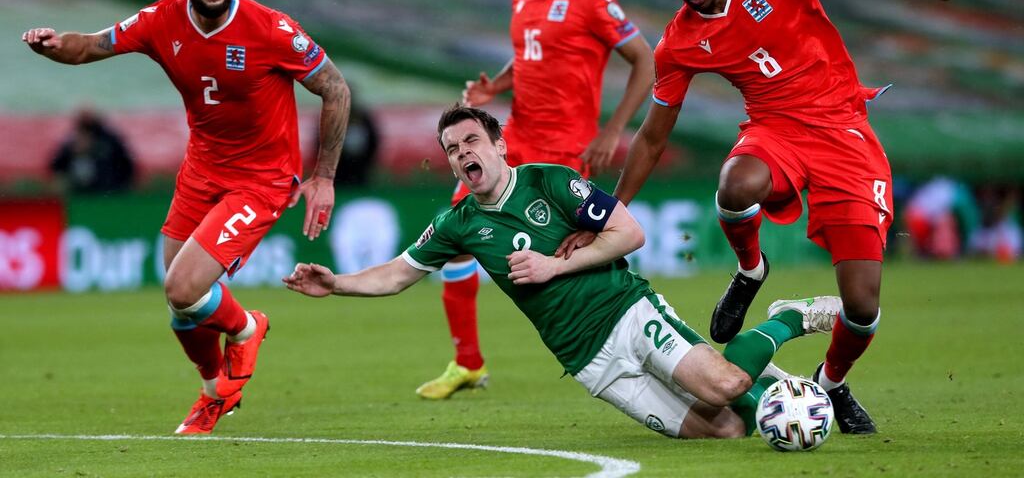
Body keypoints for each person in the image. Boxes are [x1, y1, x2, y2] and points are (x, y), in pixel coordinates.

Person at [574, 0, 986, 434]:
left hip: (845, 135)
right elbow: (653, 137)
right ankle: (750, 270)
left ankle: (832, 384)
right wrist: (613, 209)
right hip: (775, 130)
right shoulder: (677, 43)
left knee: (860, 305)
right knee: (735, 184)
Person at [285, 105, 842, 439]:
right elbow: (397, 274)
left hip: (625, 313)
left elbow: (630, 234)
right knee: (727, 428)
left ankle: (786, 319)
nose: (462, 154)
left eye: (472, 141)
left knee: (725, 386)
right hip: (588, 362)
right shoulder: (456, 222)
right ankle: (775, 389)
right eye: (452, 149)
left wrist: (555, 264)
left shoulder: (548, 182)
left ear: (499, 145)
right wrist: (336, 284)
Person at [22, 0, 351, 434]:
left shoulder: (270, 29)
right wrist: (51, 44)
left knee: (184, 286)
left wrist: (324, 176)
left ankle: (247, 327)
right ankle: (213, 390)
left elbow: (336, 88)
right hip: (201, 170)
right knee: (181, 306)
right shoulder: (161, 20)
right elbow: (90, 45)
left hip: (261, 179)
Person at [420, 0, 656, 400]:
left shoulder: (594, 2)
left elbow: (645, 60)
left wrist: (614, 128)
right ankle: (467, 361)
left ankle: (646, 332)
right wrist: (497, 86)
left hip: (564, 150)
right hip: (513, 139)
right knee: (458, 232)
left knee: (575, 252)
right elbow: (528, 55)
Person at [49, 108, 136, 194]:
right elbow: (55, 165)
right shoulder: (72, 142)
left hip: (108, 188)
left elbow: (127, 165)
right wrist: (74, 153)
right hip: (79, 186)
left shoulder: (110, 141)